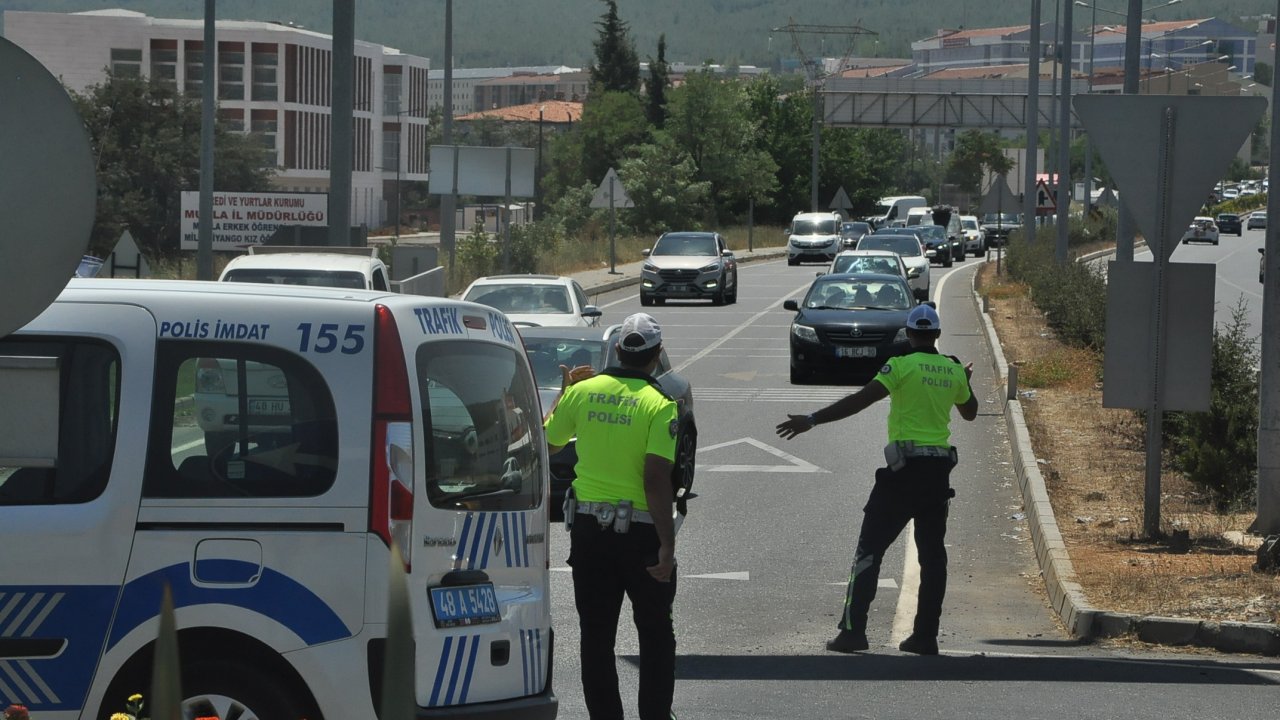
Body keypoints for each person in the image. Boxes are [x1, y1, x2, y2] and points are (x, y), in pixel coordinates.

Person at [775, 304, 977, 656]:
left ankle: (853, 632)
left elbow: (860, 400)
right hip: (937, 475)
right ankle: (925, 636)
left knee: (869, 551)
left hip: (902, 474)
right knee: (932, 557)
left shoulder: (899, 367)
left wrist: (813, 418)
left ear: (910, 334)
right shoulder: (953, 369)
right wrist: (964, 382)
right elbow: (970, 412)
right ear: (937, 335)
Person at [544, 312, 679, 720]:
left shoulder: (583, 392)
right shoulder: (660, 405)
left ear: (618, 350)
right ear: (656, 356)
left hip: (589, 533)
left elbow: (546, 442)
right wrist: (667, 545)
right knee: (656, 635)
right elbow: (656, 479)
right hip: (640, 535)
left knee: (596, 638)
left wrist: (563, 393)